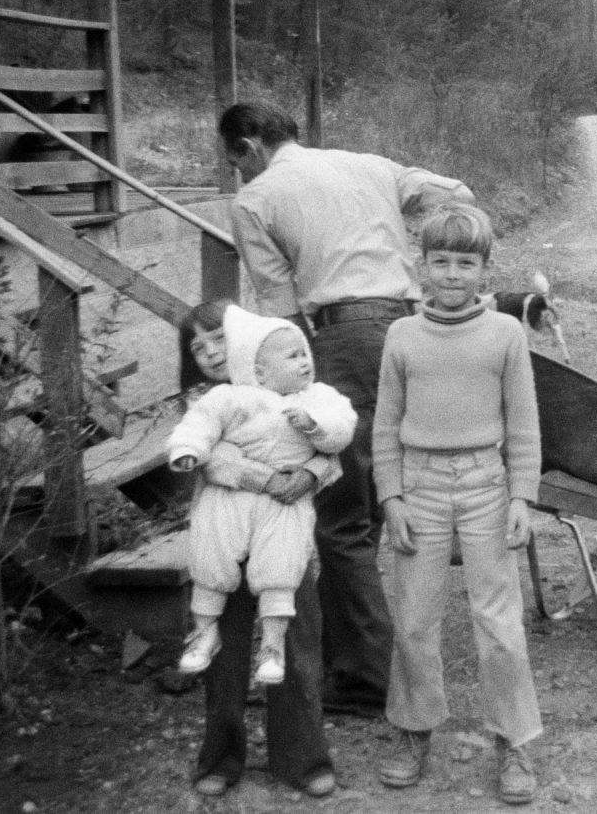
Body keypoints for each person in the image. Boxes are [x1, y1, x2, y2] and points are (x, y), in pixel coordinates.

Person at [218, 99, 474, 718]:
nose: (238, 174)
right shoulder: (369, 165)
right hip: (415, 330)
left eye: (235, 162)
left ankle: (365, 681)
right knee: (387, 497)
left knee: (341, 518)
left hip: (345, 339)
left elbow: (281, 313)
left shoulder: (256, 199)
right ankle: (358, 654)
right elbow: (456, 193)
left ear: (250, 146)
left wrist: (281, 398)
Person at [372, 203, 542, 806]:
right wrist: (390, 495)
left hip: (484, 487)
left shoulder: (505, 334)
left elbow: (523, 427)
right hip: (418, 487)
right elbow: (384, 426)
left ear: (484, 269)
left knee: (498, 623)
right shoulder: (401, 336)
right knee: (415, 619)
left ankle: (514, 740)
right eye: (439, 261)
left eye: (464, 263)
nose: (450, 274)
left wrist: (522, 495)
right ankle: (413, 729)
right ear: (421, 267)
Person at [174, 301, 342, 799]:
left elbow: (330, 448)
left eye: (217, 339)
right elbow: (218, 460)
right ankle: (221, 757)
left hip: (286, 540)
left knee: (297, 648)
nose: (208, 353)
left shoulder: (296, 388)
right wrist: (271, 478)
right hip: (226, 541)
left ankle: (302, 758)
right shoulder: (203, 400)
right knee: (225, 657)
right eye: (197, 347)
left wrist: (310, 473)